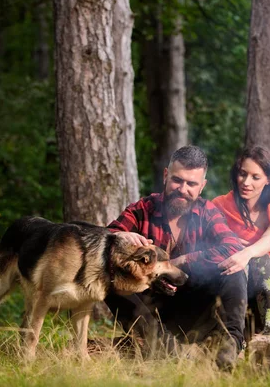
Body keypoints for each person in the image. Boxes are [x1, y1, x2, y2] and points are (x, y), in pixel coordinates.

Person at [104, 146, 246, 370]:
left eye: (191, 184)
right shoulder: (143, 209)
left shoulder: (207, 212)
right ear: (165, 176)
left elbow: (232, 246)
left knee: (233, 267)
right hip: (150, 312)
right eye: (177, 180)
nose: (183, 189)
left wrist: (184, 261)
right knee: (109, 277)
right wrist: (121, 235)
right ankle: (161, 348)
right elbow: (105, 239)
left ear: (202, 187)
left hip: (195, 310)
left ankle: (229, 347)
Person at [212, 146, 270, 336]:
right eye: (242, 174)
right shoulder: (220, 205)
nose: (246, 182)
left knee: (263, 260)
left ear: (268, 180)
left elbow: (269, 240)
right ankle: (231, 336)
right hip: (227, 281)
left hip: (266, 283)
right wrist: (231, 246)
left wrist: (246, 253)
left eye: (255, 177)